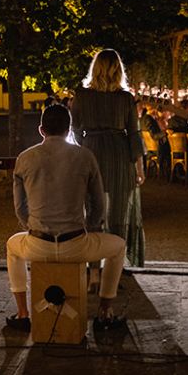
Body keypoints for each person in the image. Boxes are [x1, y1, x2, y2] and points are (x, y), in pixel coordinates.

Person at [5, 105, 127, 331]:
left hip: (37, 243)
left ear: (42, 130)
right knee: (118, 247)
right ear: (68, 128)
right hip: (76, 243)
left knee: (12, 247)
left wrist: (30, 227)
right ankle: (104, 310)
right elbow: (99, 204)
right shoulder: (85, 156)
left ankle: (22, 313)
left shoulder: (24, 158)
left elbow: (19, 207)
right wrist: (89, 228)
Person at [71, 49, 145, 275]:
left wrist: (85, 144)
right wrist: (139, 167)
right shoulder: (125, 98)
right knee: (119, 214)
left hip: (92, 150)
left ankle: (92, 266)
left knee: (92, 210)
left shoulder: (82, 96)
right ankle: (115, 267)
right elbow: (134, 133)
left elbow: (74, 127)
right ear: (118, 70)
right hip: (119, 153)